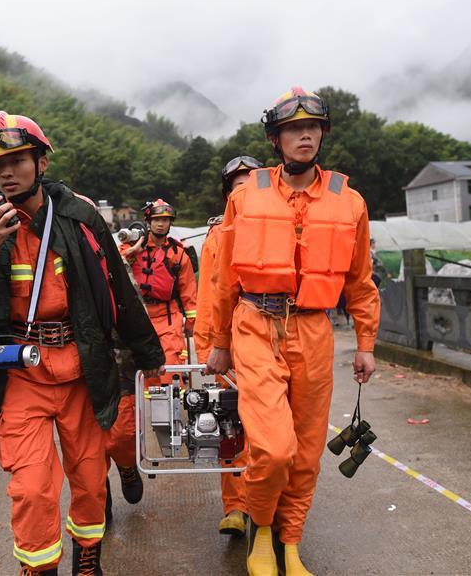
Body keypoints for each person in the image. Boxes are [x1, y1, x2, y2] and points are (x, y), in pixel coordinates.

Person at [0, 110, 164, 576]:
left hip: (81, 369)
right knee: (34, 488)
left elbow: (119, 288)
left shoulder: (78, 219)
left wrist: (150, 355)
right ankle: (39, 570)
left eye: (18, 159)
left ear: (40, 162)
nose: (7, 171)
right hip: (19, 376)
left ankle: (88, 562)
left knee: (90, 480)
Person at [206, 87, 380, 576]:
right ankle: (261, 528)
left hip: (314, 329)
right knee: (273, 447)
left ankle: (291, 540)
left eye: (313, 127)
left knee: (304, 453)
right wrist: (219, 342)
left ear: (322, 134)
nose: (304, 135)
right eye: (292, 129)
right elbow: (224, 281)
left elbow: (361, 282)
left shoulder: (350, 203)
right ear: (276, 138)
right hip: (255, 324)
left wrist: (366, 343)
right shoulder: (246, 195)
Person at [194, 155, 263, 538]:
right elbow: (210, 294)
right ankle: (236, 506)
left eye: (249, 183)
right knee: (231, 426)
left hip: (268, 340)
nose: (242, 191)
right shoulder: (217, 235)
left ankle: (263, 503)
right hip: (227, 344)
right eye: (235, 185)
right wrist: (207, 343)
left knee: (269, 432)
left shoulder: (282, 228)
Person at [120, 199, 197, 381]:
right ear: (148, 222)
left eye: (165, 220)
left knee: (170, 371)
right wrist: (132, 251)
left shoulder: (178, 254)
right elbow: (113, 268)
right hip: (139, 317)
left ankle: (172, 408)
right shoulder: (130, 248)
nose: (161, 224)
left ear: (170, 223)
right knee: (144, 375)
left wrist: (192, 321)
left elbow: (188, 290)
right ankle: (149, 409)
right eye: (156, 220)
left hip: (168, 317)